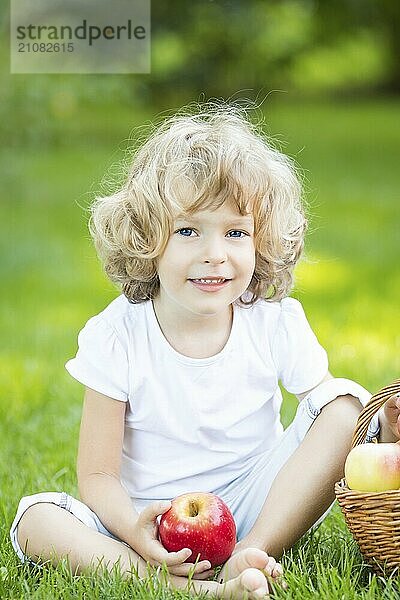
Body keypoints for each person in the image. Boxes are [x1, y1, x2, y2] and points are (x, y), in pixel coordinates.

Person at [9, 103, 400, 599]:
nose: (215, 252)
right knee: (36, 519)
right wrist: (134, 530)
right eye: (189, 230)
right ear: (148, 237)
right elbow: (98, 473)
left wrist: (382, 429)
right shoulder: (118, 335)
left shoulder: (272, 320)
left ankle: (251, 553)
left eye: (236, 232)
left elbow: (334, 422)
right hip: (149, 516)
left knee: (345, 402)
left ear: (262, 240)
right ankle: (175, 584)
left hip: (256, 504)